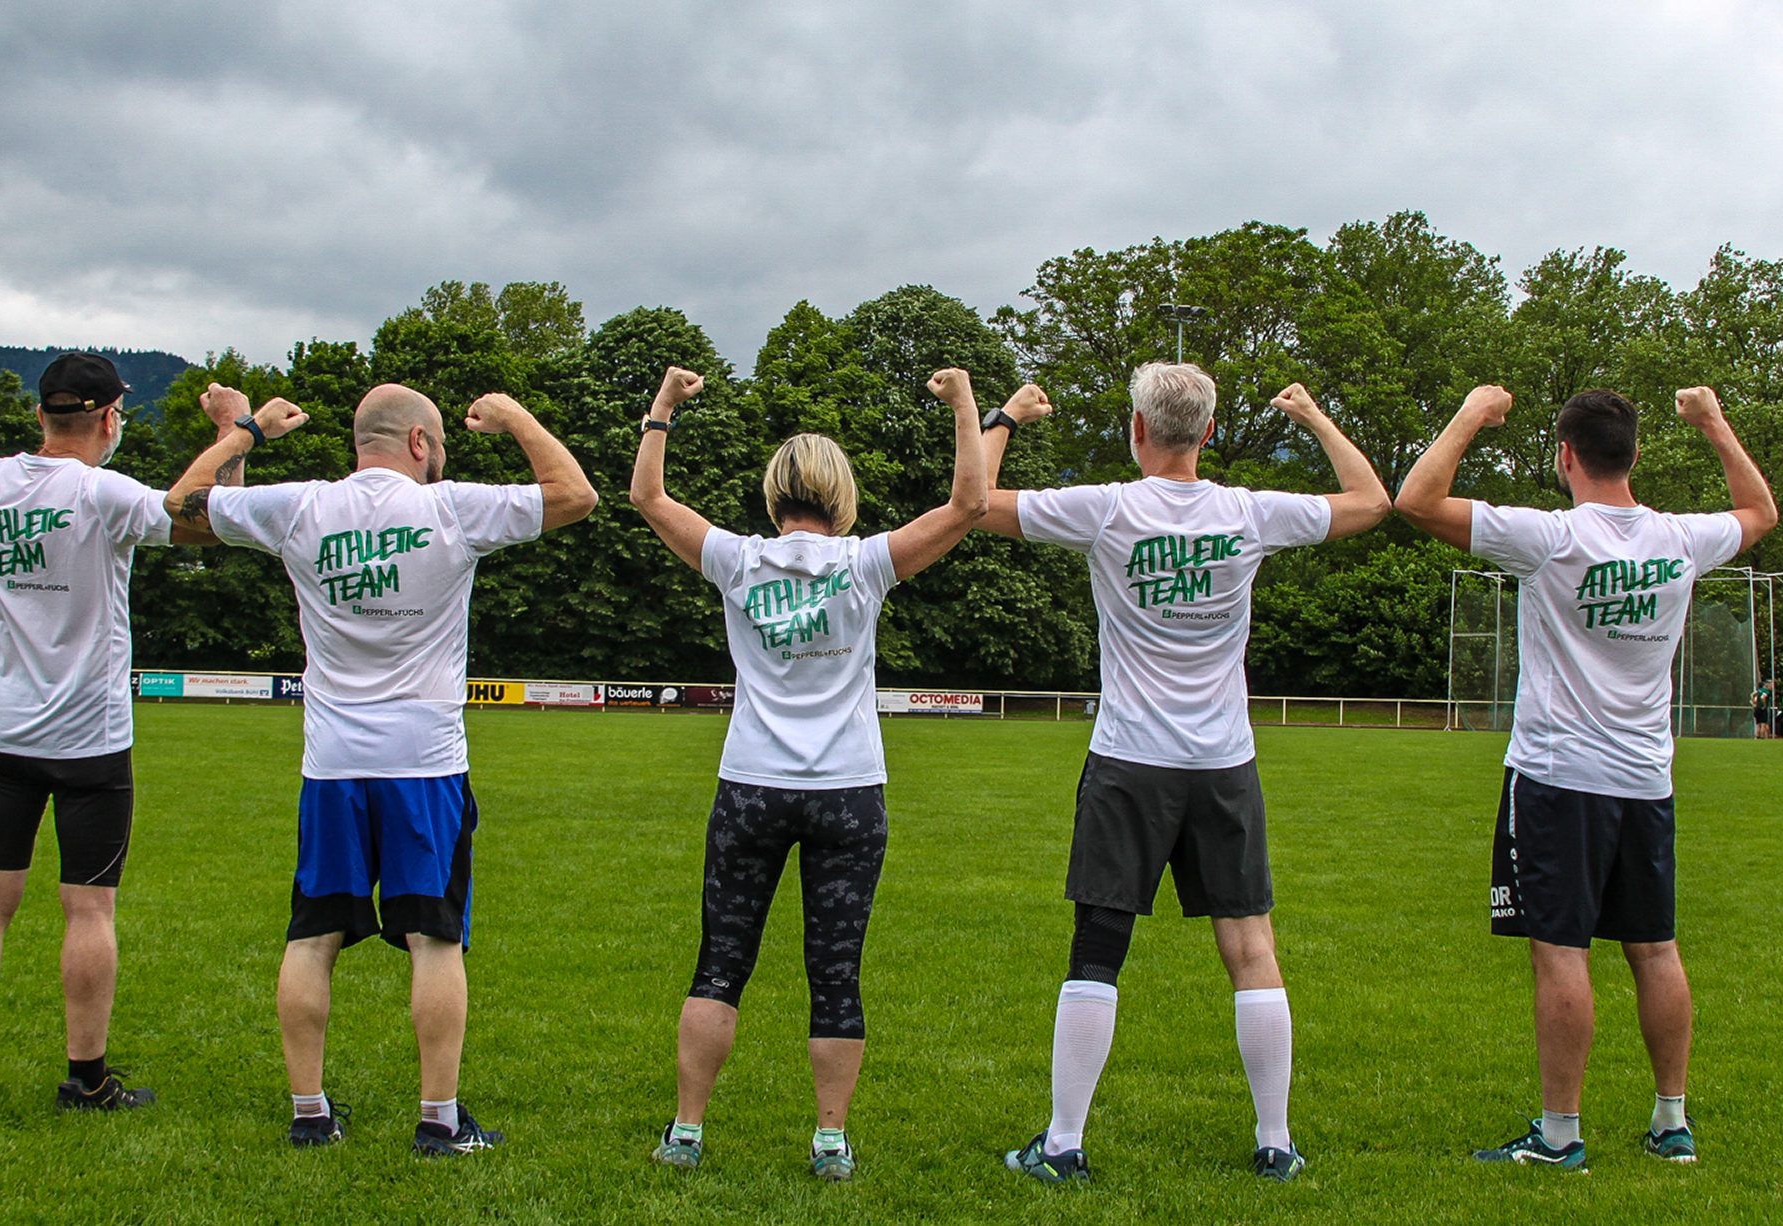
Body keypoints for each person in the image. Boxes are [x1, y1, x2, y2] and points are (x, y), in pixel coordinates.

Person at [980, 365, 1390, 1185]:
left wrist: (1005, 416)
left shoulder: (1107, 508)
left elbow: (973, 501)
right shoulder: (1248, 512)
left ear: (1137, 430)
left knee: (1098, 946)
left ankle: (1063, 1145)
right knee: (1250, 946)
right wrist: (1313, 415)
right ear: (1208, 434)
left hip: (1131, 759)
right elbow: (1373, 500)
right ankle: (1275, 1142)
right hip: (1222, 763)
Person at [165, 381, 595, 1155]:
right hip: (424, 764)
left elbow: (187, 508)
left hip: (332, 764)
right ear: (421, 444)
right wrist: (512, 417)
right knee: (434, 941)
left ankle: (310, 1114)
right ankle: (437, 1121)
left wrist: (242, 433)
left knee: (313, 934)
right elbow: (575, 495)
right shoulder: (450, 509)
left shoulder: (301, 507)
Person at [1396, 384, 1776, 1169]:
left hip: (1559, 776)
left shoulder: (1551, 538)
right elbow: (1761, 512)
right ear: (1633, 455)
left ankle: (1560, 1135)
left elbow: (1415, 500)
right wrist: (1712, 423)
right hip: (1646, 778)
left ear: (1565, 455)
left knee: (1561, 950)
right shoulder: (1679, 539)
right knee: (1654, 947)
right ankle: (1672, 1124)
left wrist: (1470, 413)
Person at [630, 364, 988, 1181]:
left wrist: (664, 408)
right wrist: (965, 403)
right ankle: (829, 1141)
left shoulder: (737, 560)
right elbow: (969, 504)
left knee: (721, 960)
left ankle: (687, 1132)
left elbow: (647, 498)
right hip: (847, 795)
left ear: (772, 495)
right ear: (842, 495)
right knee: (835, 972)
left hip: (750, 788)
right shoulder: (864, 564)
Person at [0, 355, 256, 1110]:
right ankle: (85, 1080)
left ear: (40, 416)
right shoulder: (102, 491)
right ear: (111, 419)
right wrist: (234, 432)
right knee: (88, 909)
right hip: (90, 739)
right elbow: (203, 519)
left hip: (4, 733)